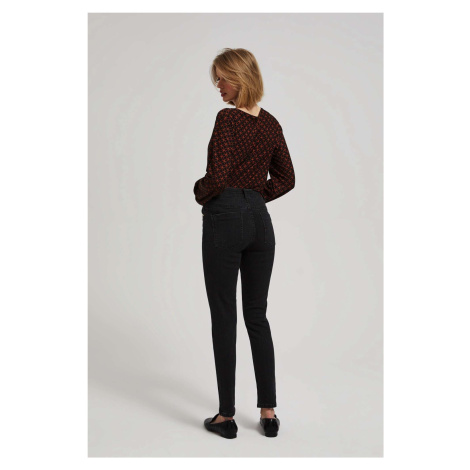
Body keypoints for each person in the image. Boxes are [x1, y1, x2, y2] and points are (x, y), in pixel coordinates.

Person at [194, 48, 295, 439]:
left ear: (241, 78)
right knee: (257, 314)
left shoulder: (228, 119)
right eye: (217, 79)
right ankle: (268, 413)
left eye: (223, 78)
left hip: (225, 219)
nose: (218, 86)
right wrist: (254, 198)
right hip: (260, 223)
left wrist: (200, 191)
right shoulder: (270, 123)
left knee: (224, 314)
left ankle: (226, 416)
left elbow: (217, 176)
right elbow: (286, 178)